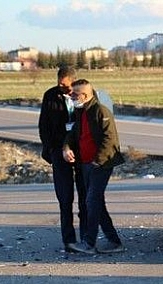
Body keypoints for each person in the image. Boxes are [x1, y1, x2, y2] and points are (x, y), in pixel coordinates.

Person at [62, 79, 126, 254]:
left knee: (91, 201)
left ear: (84, 95)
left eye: (75, 94)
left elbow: (109, 139)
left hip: (100, 164)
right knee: (96, 203)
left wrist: (97, 161)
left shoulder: (100, 111)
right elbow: (74, 134)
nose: (71, 96)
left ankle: (89, 243)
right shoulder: (81, 112)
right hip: (86, 165)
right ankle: (114, 241)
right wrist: (66, 148)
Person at [38, 65, 86, 253]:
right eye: (60, 84)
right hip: (58, 151)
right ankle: (69, 240)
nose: (63, 88)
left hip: (81, 153)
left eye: (66, 86)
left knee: (85, 196)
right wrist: (51, 149)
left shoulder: (83, 95)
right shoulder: (50, 96)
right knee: (65, 198)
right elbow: (44, 125)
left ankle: (86, 238)